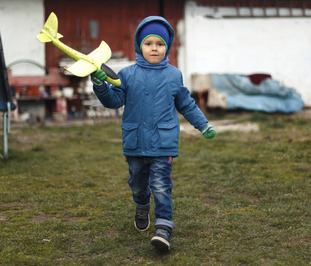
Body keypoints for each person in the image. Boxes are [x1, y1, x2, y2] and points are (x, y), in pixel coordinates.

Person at [90, 16, 216, 252]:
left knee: (160, 185)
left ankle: (164, 228)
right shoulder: (126, 74)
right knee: (138, 185)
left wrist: (203, 125)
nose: (154, 48)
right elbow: (114, 101)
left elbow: (186, 105)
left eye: (160, 43)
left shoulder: (173, 75)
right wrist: (100, 86)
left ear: (167, 47)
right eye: (149, 43)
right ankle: (141, 205)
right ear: (140, 45)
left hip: (163, 143)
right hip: (135, 141)